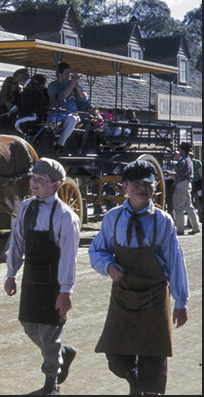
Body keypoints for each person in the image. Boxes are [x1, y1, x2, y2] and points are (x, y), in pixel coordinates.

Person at [89, 159, 189, 395]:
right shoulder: (112, 218)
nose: (142, 188)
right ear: (125, 187)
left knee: (154, 360)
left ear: (155, 186)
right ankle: (135, 381)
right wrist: (108, 265)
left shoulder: (164, 221)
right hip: (123, 298)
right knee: (116, 359)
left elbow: (175, 262)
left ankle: (148, 390)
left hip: (155, 298)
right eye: (136, 183)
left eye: (148, 183)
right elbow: (97, 251)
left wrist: (180, 303)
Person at [5, 158, 81, 395]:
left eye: (40, 179)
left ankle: (51, 384)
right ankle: (61, 354)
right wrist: (11, 274)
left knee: (49, 334)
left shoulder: (66, 216)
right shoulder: (26, 207)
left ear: (56, 185)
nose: (34, 183)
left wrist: (65, 290)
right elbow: (17, 241)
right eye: (32, 178)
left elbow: (69, 257)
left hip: (54, 283)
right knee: (29, 326)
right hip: (31, 277)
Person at [48, 62, 88, 153]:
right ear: (59, 74)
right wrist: (72, 84)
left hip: (71, 114)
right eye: (66, 74)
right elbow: (62, 97)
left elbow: (83, 99)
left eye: (69, 74)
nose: (68, 76)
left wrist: (77, 87)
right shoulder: (53, 86)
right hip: (57, 113)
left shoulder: (73, 84)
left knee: (73, 119)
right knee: (51, 126)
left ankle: (60, 144)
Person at [173, 142, 200, 235]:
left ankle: (180, 229)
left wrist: (172, 163)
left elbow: (177, 167)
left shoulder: (183, 160)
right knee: (189, 207)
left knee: (179, 207)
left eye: (180, 149)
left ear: (183, 151)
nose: (179, 151)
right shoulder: (189, 160)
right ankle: (196, 226)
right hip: (187, 184)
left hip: (181, 185)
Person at [189, 151, 202, 222]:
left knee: (198, 203)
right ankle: (190, 222)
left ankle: (201, 219)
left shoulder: (197, 163)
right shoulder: (187, 164)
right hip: (190, 184)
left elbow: (201, 174)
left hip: (197, 184)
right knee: (189, 204)